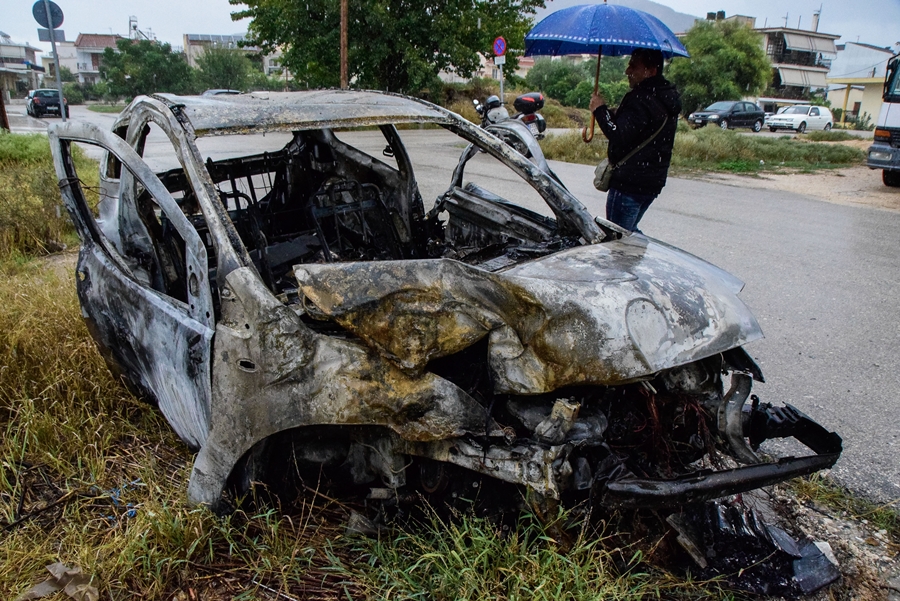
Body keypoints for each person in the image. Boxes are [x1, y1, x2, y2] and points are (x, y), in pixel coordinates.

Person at [589, 48, 681, 233]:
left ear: (651, 70)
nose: (627, 71)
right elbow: (638, 128)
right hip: (651, 181)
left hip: (629, 183)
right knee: (629, 232)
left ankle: (643, 258)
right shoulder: (665, 97)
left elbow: (619, 134)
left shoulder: (641, 98)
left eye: (633, 66)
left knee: (618, 239)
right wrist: (613, 113)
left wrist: (599, 110)